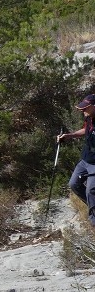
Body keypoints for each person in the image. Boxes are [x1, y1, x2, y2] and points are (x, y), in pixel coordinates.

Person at [59, 92, 95, 226]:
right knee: (74, 184)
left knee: (91, 190)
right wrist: (69, 135)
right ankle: (93, 207)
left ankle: (94, 220)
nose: (82, 111)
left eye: (85, 108)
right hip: (85, 159)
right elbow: (85, 130)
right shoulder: (89, 117)